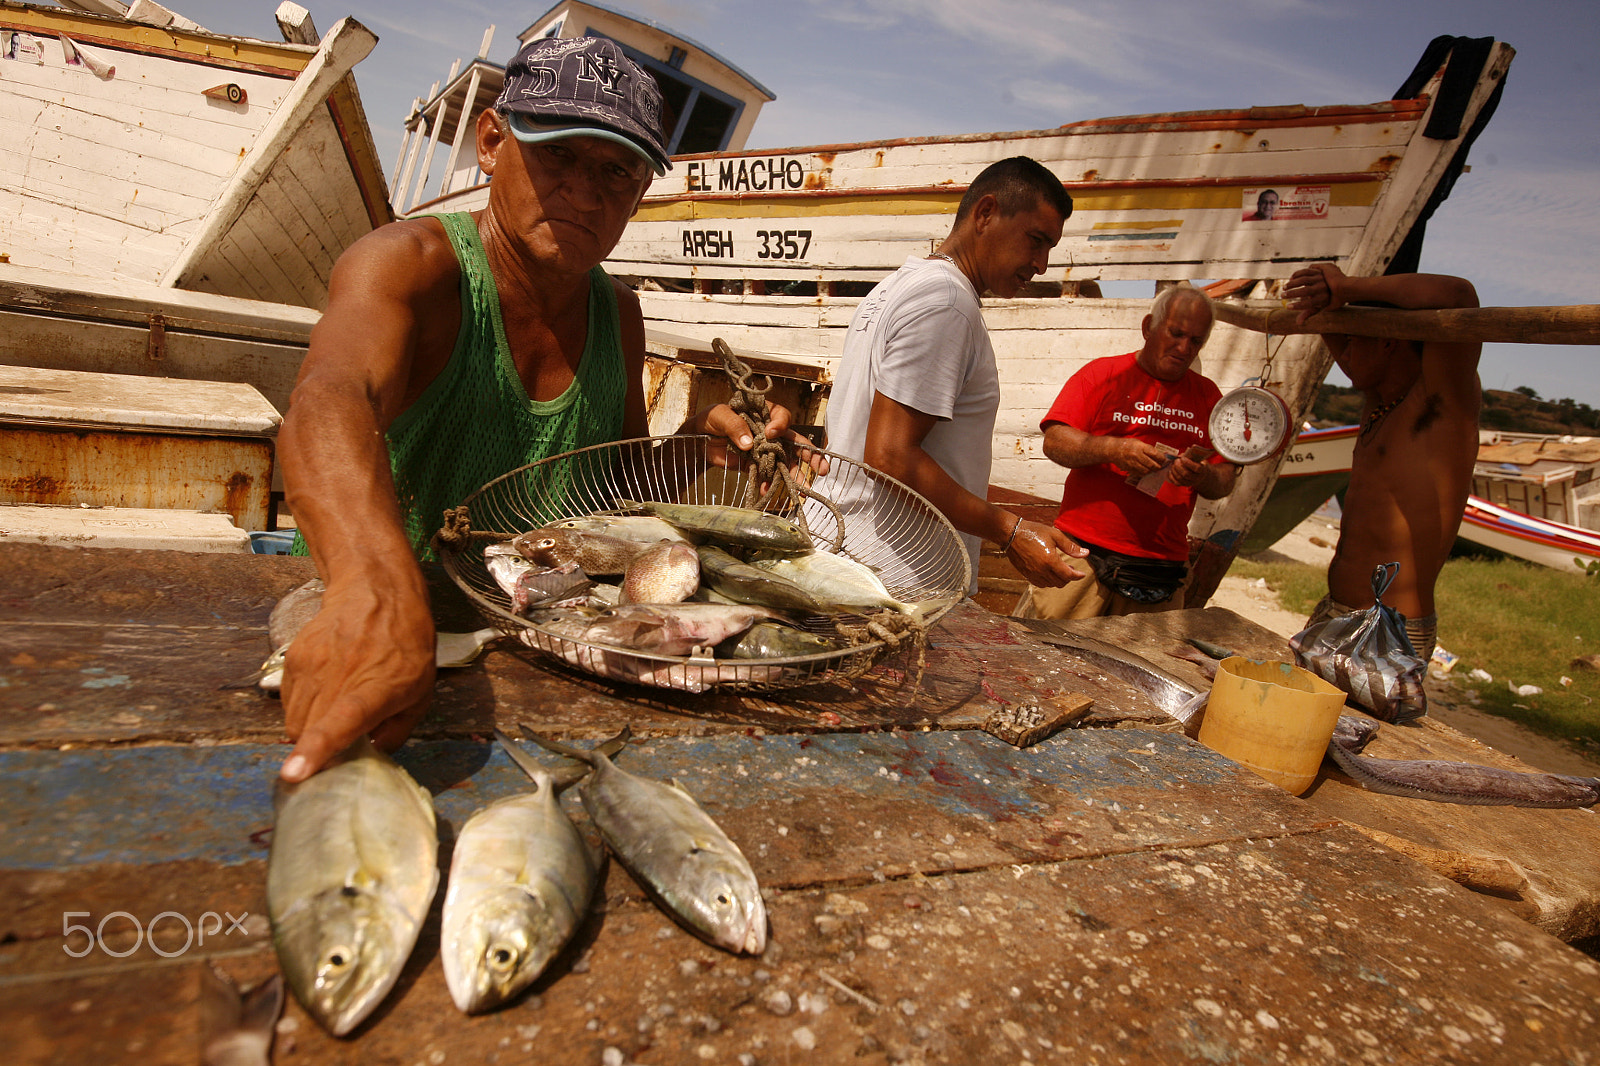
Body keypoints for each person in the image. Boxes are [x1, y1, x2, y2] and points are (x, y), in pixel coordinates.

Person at [275, 37, 812, 782]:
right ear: (493, 141)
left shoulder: (618, 314)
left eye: (617, 173)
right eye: (560, 156)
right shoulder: (411, 264)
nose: (587, 195)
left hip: (541, 649)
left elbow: (615, 490)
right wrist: (372, 582)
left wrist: (696, 448)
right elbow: (328, 400)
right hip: (367, 635)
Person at [821, 156, 1087, 594]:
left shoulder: (896, 287)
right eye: (1036, 240)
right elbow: (890, 456)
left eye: (1050, 250)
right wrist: (1010, 529)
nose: (1041, 264)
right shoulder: (948, 303)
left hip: (849, 555)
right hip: (887, 582)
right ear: (985, 214)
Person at [1283, 262, 1481, 662]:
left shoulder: (1441, 405)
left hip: (1389, 630)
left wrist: (1348, 286)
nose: (1344, 352)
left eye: (1353, 339)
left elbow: (1460, 296)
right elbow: (1338, 337)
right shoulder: (1378, 399)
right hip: (1335, 613)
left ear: (1388, 342)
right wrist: (1324, 301)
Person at [1015, 285, 1237, 619]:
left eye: (1196, 341)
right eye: (1175, 334)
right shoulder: (1102, 375)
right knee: (1041, 656)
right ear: (1149, 327)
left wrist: (1202, 474)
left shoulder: (1208, 397)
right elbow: (1055, 441)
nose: (1184, 348)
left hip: (1161, 570)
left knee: (1133, 668)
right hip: (1083, 555)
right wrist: (1114, 449)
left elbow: (1225, 480)